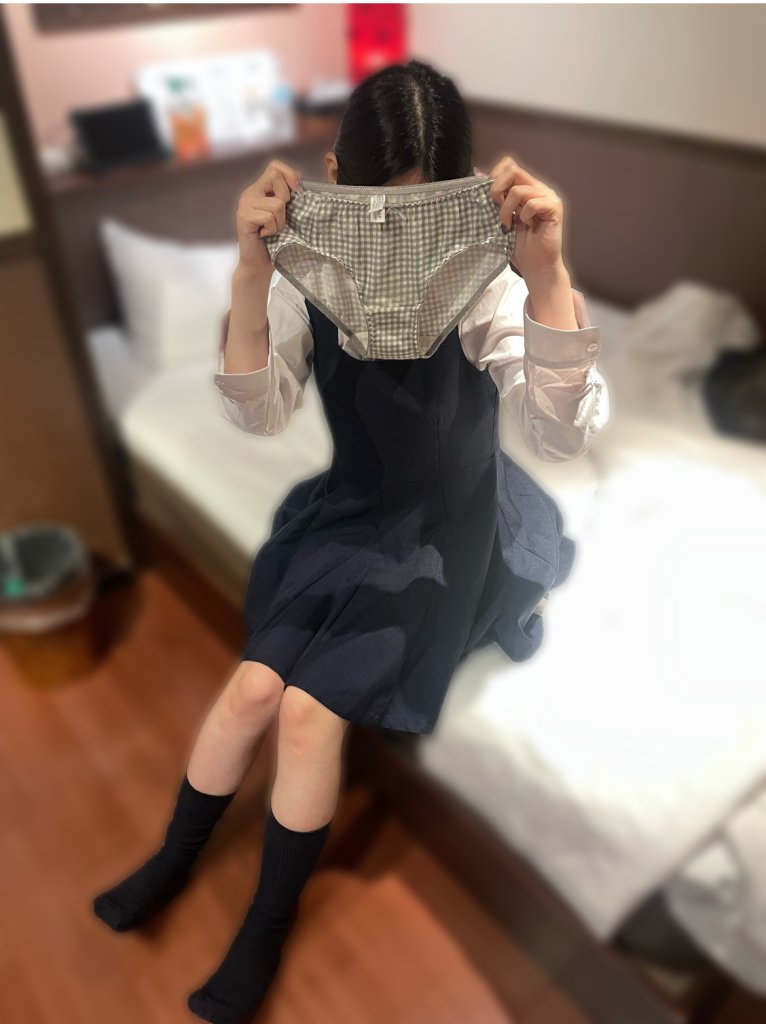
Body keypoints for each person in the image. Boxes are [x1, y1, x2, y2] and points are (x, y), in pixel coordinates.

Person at [92, 59, 609, 1024]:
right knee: (251, 689)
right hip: (356, 509)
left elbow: (560, 433)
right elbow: (257, 414)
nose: (404, 246)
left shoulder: (485, 284)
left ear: (466, 197)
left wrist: (547, 277)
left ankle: (267, 923)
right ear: (336, 181)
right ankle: (173, 856)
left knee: (304, 713)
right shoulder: (311, 273)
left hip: (448, 529)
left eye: (429, 215)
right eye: (383, 214)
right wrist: (253, 273)